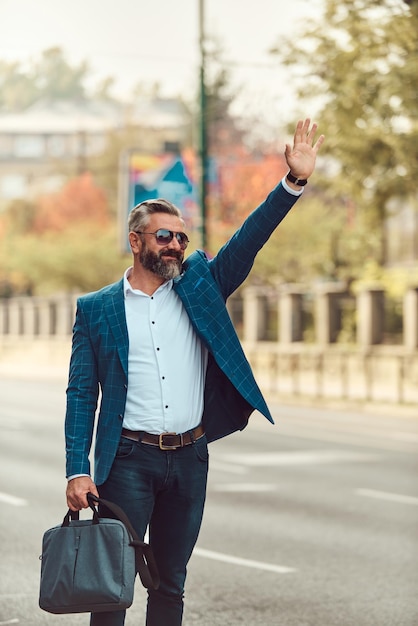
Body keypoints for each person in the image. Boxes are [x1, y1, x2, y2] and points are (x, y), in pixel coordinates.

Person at [65, 118, 324, 626]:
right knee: (111, 584)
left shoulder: (200, 285)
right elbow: (80, 392)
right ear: (136, 242)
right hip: (127, 462)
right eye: (165, 236)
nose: (176, 246)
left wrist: (291, 184)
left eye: (182, 238)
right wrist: (78, 467)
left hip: (189, 458)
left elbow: (247, 242)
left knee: (170, 583)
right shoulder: (96, 309)